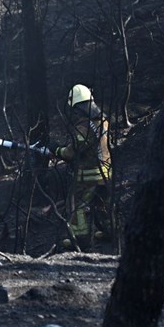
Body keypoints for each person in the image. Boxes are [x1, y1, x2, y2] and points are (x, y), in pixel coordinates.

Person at [46, 84, 113, 248]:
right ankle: (111, 232)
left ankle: (80, 240)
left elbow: (73, 153)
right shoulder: (103, 121)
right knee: (103, 203)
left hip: (88, 175)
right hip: (107, 172)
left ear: (78, 108)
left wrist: (56, 149)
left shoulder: (83, 127)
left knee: (77, 206)